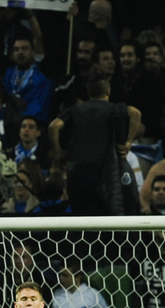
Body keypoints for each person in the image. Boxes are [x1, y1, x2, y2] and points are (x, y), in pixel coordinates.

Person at [49, 78, 140, 216]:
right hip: (107, 171)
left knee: (82, 217)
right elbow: (135, 113)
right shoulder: (115, 108)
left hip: (78, 172)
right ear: (108, 91)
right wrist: (128, 142)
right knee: (110, 214)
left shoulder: (75, 110)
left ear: (88, 92)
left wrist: (58, 153)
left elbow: (54, 126)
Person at [51, 265, 115, 308]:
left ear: (78, 277)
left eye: (65, 275)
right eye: (60, 274)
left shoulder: (92, 294)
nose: (61, 278)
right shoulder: (57, 295)